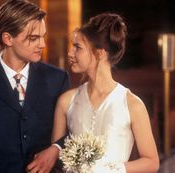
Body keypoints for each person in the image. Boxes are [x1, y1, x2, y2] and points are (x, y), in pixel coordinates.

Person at [28, 12, 160, 173]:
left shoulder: (132, 104)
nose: (70, 53)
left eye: (77, 47)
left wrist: (108, 170)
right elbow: (57, 162)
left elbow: (152, 162)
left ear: (99, 53)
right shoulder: (66, 101)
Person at [0, 0, 70, 173]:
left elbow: (72, 133)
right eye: (33, 38)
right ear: (8, 38)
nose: (43, 45)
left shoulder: (58, 79)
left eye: (43, 36)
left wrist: (56, 149)